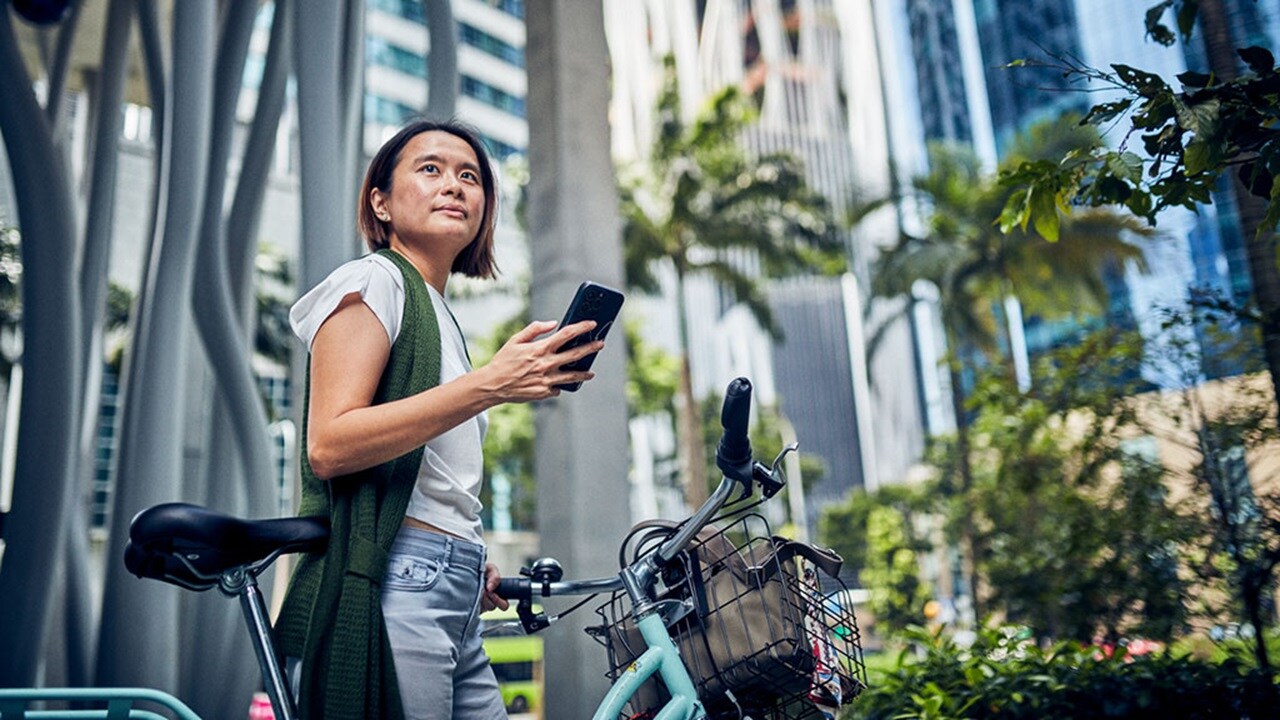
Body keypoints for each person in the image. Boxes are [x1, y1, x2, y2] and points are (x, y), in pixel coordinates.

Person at [273, 119, 604, 719]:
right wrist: (490, 384)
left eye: (470, 176)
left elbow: (431, 478)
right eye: (431, 169)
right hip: (398, 581)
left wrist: (468, 556)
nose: (454, 186)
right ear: (381, 202)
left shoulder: (441, 317)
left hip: (452, 583)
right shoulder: (373, 279)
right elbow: (329, 443)